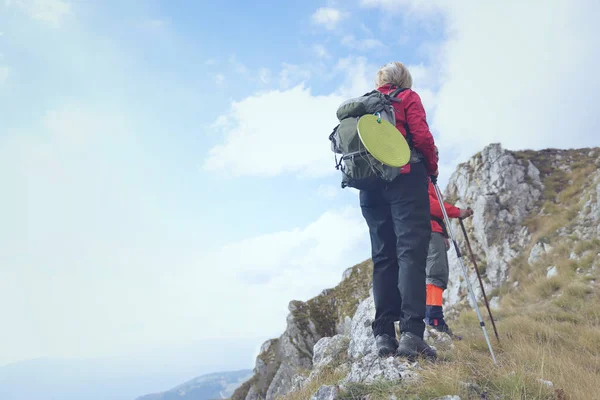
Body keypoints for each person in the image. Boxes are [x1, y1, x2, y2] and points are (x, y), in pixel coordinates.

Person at [359, 61, 438, 360]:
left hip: (369, 185)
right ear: (404, 79)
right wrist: (432, 168)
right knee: (410, 253)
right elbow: (420, 137)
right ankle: (412, 335)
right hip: (405, 179)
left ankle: (383, 336)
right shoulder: (407, 97)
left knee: (382, 256)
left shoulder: (366, 104)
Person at [425, 150, 473, 338]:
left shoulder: (427, 179)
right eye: (433, 155)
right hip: (428, 230)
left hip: (430, 230)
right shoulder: (421, 177)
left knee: (431, 274)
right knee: (436, 274)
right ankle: (434, 319)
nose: (435, 159)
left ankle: (430, 316)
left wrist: (443, 232)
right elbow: (431, 206)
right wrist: (457, 212)